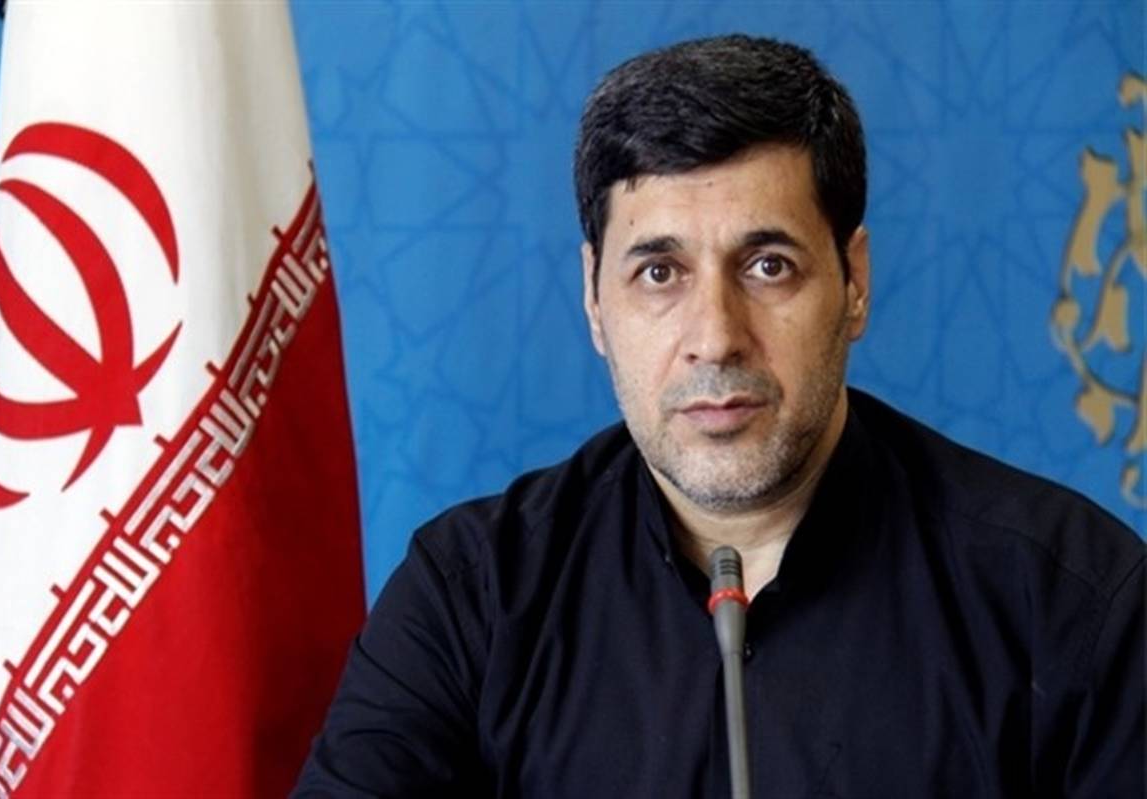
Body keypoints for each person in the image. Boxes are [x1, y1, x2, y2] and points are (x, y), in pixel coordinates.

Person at [293, 35, 1144, 798]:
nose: (715, 336)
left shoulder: (1069, 601)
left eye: (768, 265)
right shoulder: (472, 595)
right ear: (594, 299)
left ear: (854, 281)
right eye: (659, 273)